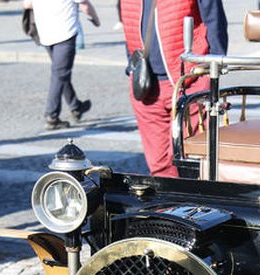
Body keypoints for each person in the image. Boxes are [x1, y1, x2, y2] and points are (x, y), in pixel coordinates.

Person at [121, 0, 227, 177]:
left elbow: (214, 19)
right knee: (159, 166)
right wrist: (132, 66)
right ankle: (167, 205)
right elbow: (129, 20)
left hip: (190, 79)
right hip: (147, 85)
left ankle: (197, 203)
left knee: (196, 163)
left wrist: (212, 71)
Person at [24, 0, 99, 130]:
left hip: (45, 33)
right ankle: (51, 116)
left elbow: (27, 4)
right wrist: (95, 19)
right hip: (65, 33)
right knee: (60, 74)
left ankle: (75, 106)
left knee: (60, 72)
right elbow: (84, 4)